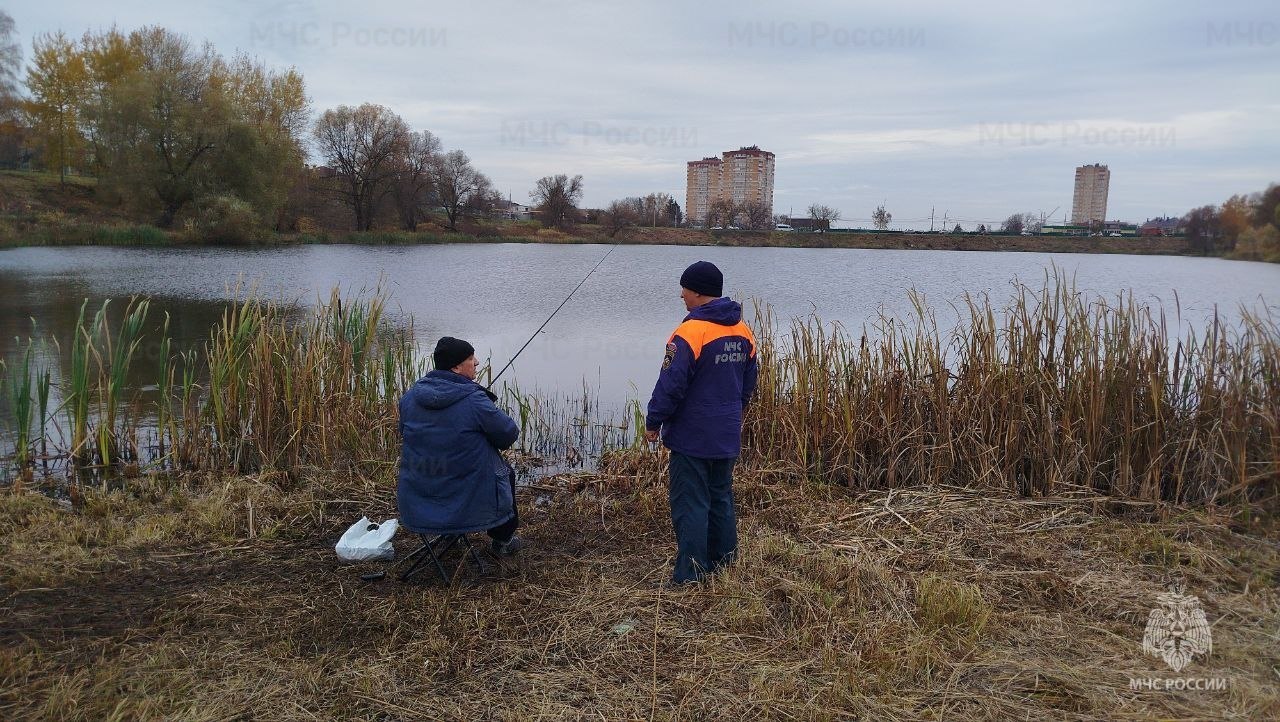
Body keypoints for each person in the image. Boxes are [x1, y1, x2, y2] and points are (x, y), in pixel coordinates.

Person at [645, 261, 758, 585]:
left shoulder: (690, 332)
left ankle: (690, 575)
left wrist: (654, 421)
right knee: (720, 497)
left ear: (696, 291)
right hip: (726, 433)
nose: (681, 295)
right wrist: (733, 412)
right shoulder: (742, 330)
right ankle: (724, 564)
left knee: (690, 503)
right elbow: (749, 382)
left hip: (692, 436)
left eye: (684, 289)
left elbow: (671, 385)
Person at [397, 336, 527, 556]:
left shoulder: (409, 398)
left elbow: (406, 433)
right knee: (505, 472)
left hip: (416, 497)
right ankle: (503, 541)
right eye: (470, 358)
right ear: (456, 367)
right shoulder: (475, 401)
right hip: (464, 496)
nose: (476, 362)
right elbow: (508, 435)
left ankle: (448, 532)